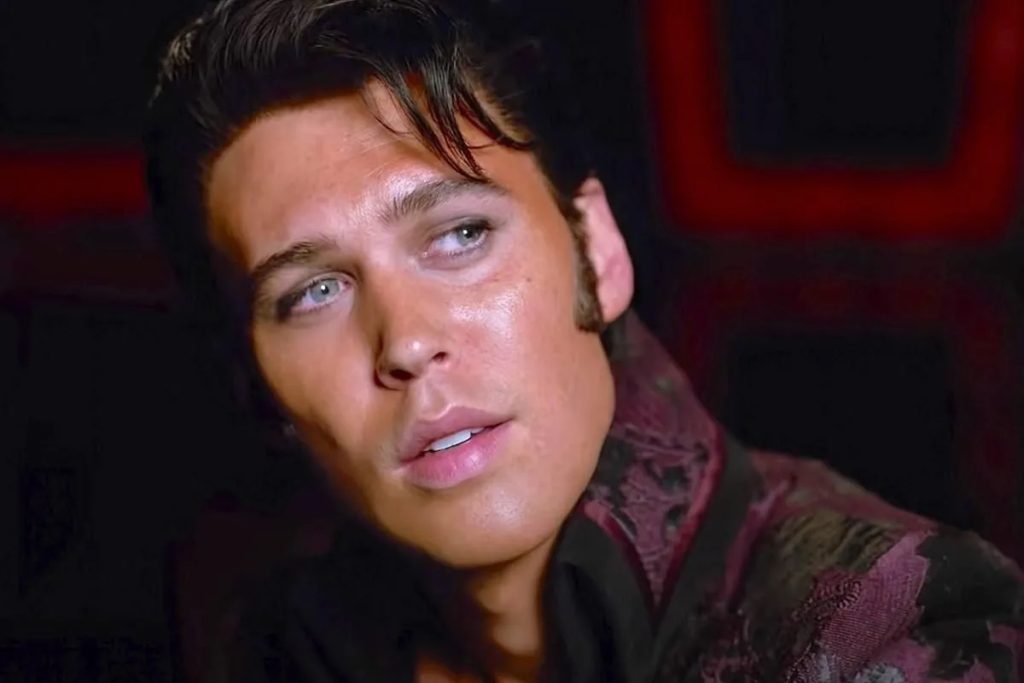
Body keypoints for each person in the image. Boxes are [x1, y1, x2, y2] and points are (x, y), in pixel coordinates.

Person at [145, 0, 1024, 680]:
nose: (405, 341)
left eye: (460, 235)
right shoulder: (275, 645)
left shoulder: (884, 624)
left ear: (596, 252)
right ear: (260, 384)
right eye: (314, 291)